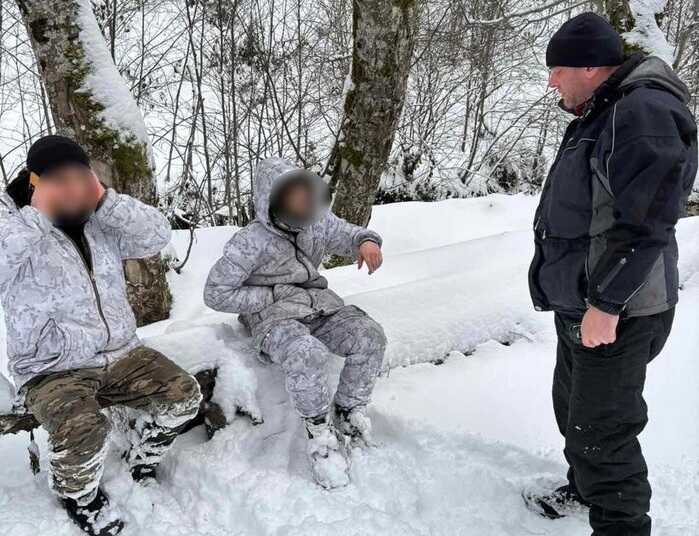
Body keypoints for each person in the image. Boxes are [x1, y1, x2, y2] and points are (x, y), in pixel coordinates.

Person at [525, 12, 698, 536]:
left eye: (557, 69)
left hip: (616, 308)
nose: (551, 81)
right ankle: (585, 489)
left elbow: (644, 222)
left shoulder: (642, 113)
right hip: (583, 300)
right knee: (573, 410)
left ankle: (620, 526)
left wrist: (606, 305)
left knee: (602, 430)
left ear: (591, 66)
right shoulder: (603, 110)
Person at [0, 135, 203, 536]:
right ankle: (78, 494)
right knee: (86, 430)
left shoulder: (100, 219)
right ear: (33, 181)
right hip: (51, 369)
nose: (71, 187)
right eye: (59, 178)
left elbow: (157, 236)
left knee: (185, 396)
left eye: (79, 176)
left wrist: (105, 199)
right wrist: (36, 216)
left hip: (120, 353)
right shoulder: (12, 224)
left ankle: (143, 456)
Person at [204, 157, 387, 490]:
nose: (304, 199)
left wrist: (367, 241)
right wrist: (270, 295)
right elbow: (216, 293)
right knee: (306, 352)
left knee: (370, 336)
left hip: (319, 307)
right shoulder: (250, 241)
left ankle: (348, 412)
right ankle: (319, 433)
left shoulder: (317, 221)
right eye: (294, 194)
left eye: (307, 191)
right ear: (273, 199)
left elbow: (348, 234)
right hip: (274, 319)